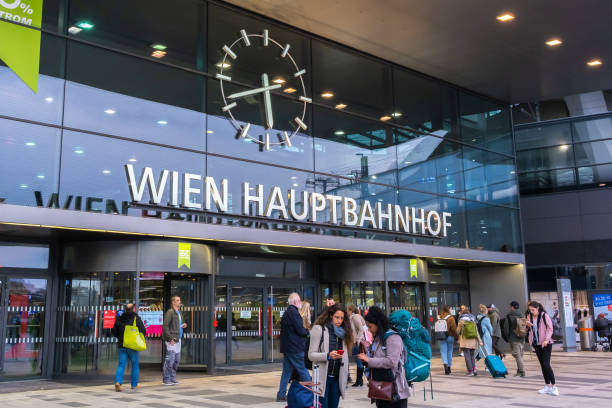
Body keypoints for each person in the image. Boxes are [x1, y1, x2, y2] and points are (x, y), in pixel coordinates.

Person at [356, 306, 410, 408]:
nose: (369, 330)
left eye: (370, 326)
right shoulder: (379, 339)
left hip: (395, 393)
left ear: (378, 324)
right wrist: (367, 352)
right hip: (381, 390)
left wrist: (369, 360)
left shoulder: (393, 337)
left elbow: (391, 361)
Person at [308, 304, 353, 408]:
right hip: (323, 378)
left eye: (342, 318)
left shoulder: (345, 332)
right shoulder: (319, 329)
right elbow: (311, 355)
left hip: (337, 378)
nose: (339, 321)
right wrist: (328, 355)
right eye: (337, 317)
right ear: (330, 315)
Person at [276, 293, 311, 402]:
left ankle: (281, 395)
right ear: (295, 302)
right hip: (295, 348)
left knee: (286, 372)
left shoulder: (287, 313)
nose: (300, 302)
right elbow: (300, 330)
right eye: (299, 300)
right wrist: (307, 333)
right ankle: (311, 392)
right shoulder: (294, 313)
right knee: (303, 370)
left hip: (288, 348)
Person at [526, 301, 559, 396]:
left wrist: (546, 340)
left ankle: (554, 386)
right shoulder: (530, 317)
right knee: (542, 365)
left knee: (546, 365)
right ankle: (547, 386)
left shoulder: (544, 316)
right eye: (530, 310)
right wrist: (527, 326)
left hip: (546, 343)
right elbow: (527, 330)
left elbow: (550, 328)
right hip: (536, 343)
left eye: (533, 310)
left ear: (538, 308)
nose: (531, 311)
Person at [111, 303, 146, 392]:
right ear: (133, 309)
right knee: (135, 365)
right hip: (133, 346)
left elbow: (113, 331)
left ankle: (118, 382)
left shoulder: (119, 318)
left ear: (125, 309)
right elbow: (143, 331)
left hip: (122, 345)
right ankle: (134, 385)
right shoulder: (136, 318)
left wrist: (120, 337)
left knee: (121, 365)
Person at [162, 295, 188, 386]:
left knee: (176, 360)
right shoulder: (170, 312)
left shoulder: (179, 312)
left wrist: (183, 325)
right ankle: (166, 379)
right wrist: (170, 338)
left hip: (178, 339)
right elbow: (165, 326)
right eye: (177, 300)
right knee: (170, 359)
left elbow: (178, 324)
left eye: (179, 300)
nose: (179, 302)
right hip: (171, 340)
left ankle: (172, 378)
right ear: (173, 302)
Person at [456, 307, 483, 376]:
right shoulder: (473, 320)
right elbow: (476, 332)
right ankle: (474, 369)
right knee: (472, 356)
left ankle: (470, 371)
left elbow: (457, 331)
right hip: (473, 341)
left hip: (465, 341)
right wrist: (480, 341)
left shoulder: (461, 321)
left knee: (467, 356)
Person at [347, 304, 366, 387]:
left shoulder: (355, 317)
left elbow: (361, 329)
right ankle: (359, 381)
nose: (346, 311)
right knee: (358, 360)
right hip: (355, 342)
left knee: (358, 361)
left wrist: (357, 340)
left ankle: (359, 381)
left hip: (356, 343)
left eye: (347, 310)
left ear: (350, 310)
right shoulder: (353, 317)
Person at [507, 301, 526, 377]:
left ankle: (522, 371)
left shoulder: (509, 315)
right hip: (522, 337)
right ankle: (519, 371)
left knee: (517, 355)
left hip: (513, 338)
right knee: (520, 355)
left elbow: (506, 328)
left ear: (512, 307)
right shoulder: (522, 314)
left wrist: (507, 337)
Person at [438, 304, 457, 375]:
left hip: (442, 336)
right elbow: (454, 329)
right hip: (450, 336)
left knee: (443, 352)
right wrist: (456, 337)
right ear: (449, 309)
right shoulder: (451, 318)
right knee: (449, 352)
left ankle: (445, 365)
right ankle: (449, 367)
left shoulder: (440, 317)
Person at [476, 304, 493, 369]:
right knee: (487, 351)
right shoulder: (486, 319)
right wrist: (491, 334)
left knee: (480, 351)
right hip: (486, 336)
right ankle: (487, 367)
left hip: (479, 336)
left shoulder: (477, 317)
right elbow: (490, 328)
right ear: (485, 311)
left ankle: (474, 364)